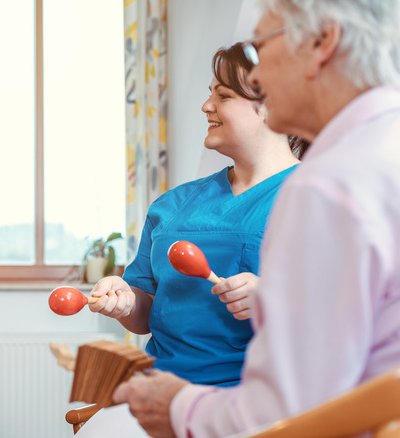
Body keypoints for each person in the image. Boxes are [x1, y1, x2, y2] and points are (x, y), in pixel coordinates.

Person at [112, 1, 400, 437]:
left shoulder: (328, 183)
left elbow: (285, 413)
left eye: (262, 47)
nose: (259, 77)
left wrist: (176, 406)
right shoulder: (381, 148)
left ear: (323, 42)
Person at [89, 42, 303, 388]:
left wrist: (273, 300)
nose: (207, 106)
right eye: (210, 95)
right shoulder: (171, 206)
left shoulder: (314, 199)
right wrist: (126, 303)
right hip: (159, 388)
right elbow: (146, 312)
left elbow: (348, 319)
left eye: (223, 96)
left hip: (251, 399)